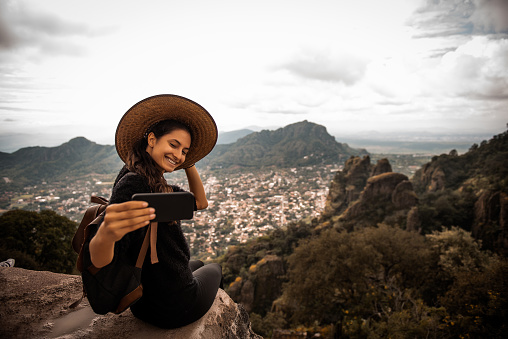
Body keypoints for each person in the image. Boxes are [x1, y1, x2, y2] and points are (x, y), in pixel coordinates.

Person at [83, 94, 223, 328]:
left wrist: (187, 161)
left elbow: (200, 202)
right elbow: (103, 260)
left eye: (185, 152)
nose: (178, 155)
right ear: (151, 139)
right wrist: (106, 234)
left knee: (196, 263)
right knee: (215, 268)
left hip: (144, 303)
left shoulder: (143, 178)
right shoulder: (137, 185)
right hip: (173, 307)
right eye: (173, 145)